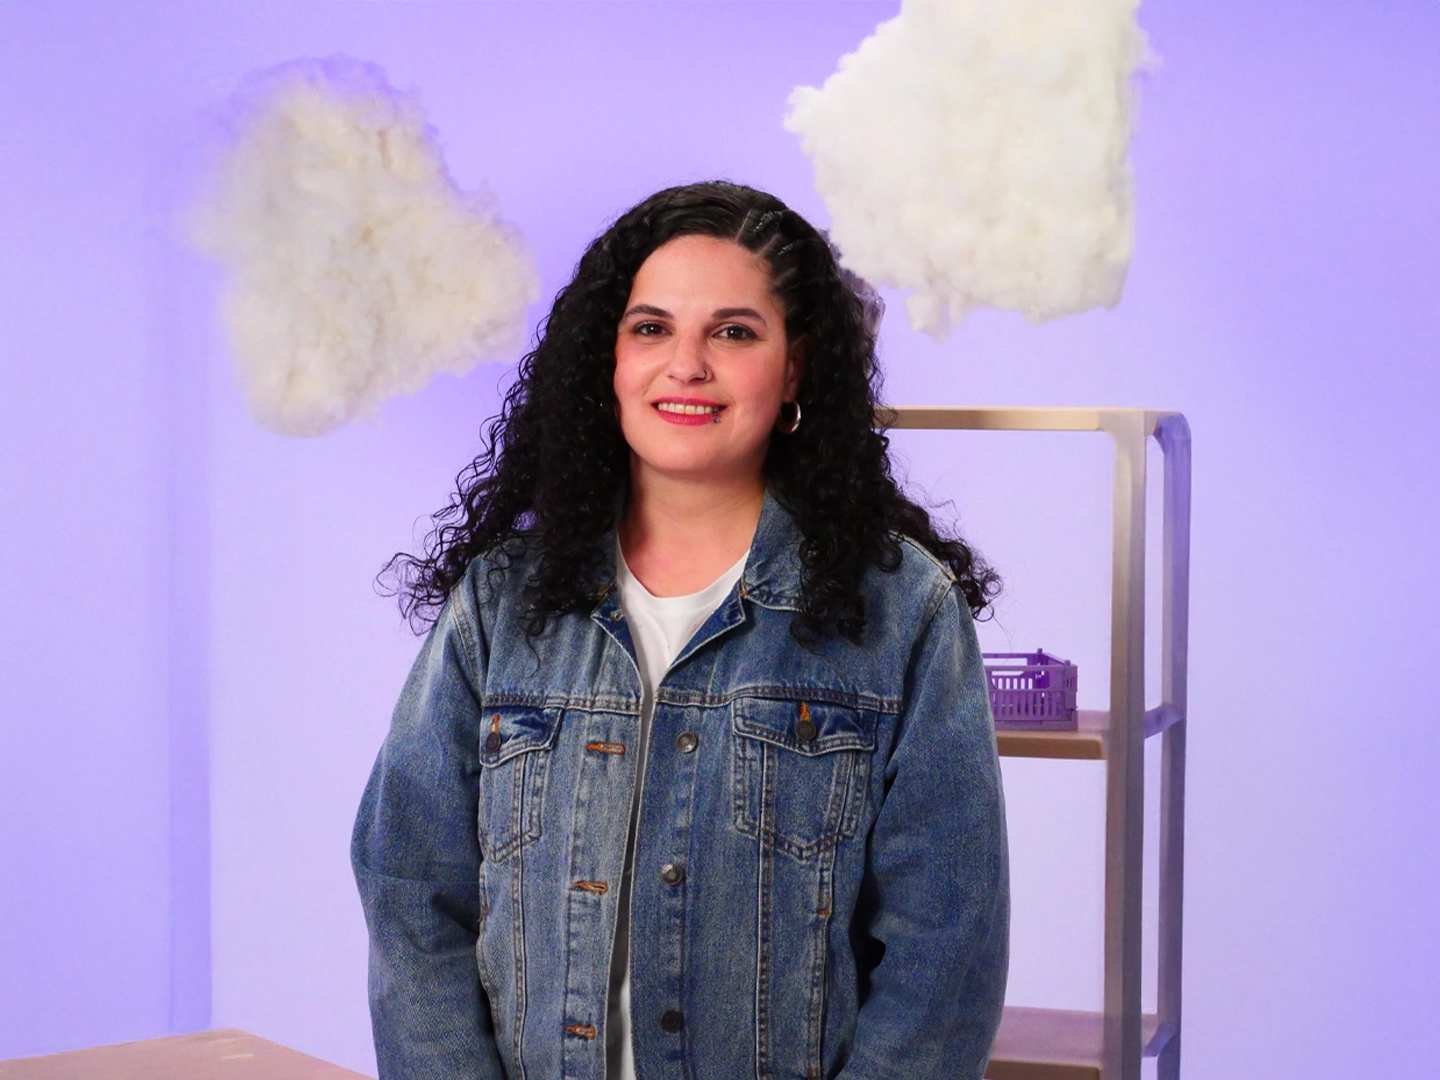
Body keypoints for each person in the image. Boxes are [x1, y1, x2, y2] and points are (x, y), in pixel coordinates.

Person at [352, 181, 1008, 1080]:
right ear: (608, 362)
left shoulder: (901, 610)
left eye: (734, 332)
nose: (686, 365)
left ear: (795, 369)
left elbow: (948, 949)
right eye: (651, 328)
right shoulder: (502, 601)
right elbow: (408, 888)